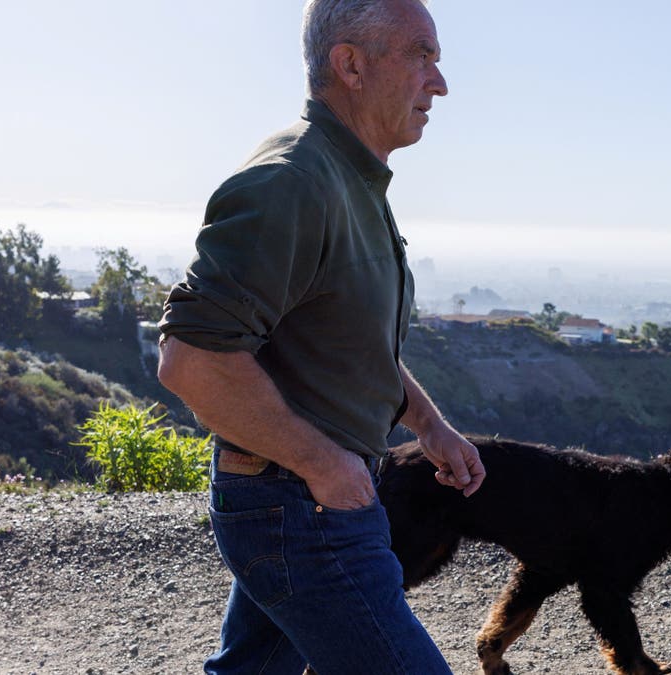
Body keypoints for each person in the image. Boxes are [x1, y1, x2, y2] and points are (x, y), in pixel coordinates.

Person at [156, 0, 485, 672]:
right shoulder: (292, 181)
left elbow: (348, 345)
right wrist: (324, 465)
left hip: (297, 498)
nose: (440, 82)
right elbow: (190, 359)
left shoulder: (351, 178)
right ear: (351, 63)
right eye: (422, 54)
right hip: (300, 507)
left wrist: (429, 425)